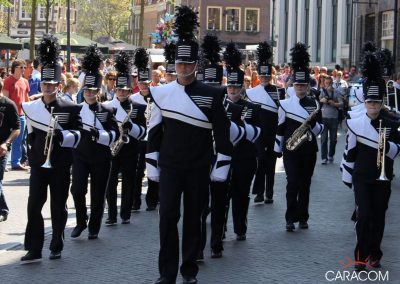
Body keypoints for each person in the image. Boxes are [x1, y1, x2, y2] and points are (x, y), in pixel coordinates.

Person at [148, 6, 232, 284]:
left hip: (198, 166)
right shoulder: (161, 93)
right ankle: (166, 273)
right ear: (174, 64)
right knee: (167, 220)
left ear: (196, 64)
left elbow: (223, 135)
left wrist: (221, 166)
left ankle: (189, 271)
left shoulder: (213, 93)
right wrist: (152, 165)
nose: (183, 68)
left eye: (188, 64)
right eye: (179, 64)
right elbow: (154, 132)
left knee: (194, 221)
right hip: (170, 166)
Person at [20, 35, 82, 263]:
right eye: (44, 84)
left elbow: (78, 137)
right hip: (39, 163)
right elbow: (30, 135)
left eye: (51, 84)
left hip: (61, 164)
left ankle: (56, 243)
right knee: (34, 205)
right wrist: (32, 155)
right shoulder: (32, 107)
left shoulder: (71, 107)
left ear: (58, 85)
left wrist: (63, 135)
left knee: (58, 206)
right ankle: (34, 248)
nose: (47, 88)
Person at [341, 51, 400, 271]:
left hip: (383, 177)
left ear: (381, 101)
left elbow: (397, 151)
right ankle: (360, 256)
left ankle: (375, 253)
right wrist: (347, 177)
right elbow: (350, 151)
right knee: (364, 215)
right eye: (369, 102)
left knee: (378, 217)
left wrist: (385, 143)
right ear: (364, 102)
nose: (373, 106)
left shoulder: (392, 121)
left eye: (376, 102)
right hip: (362, 176)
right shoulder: (355, 122)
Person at [70, 45, 119, 240]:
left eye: (93, 90)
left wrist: (100, 135)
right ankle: (81, 220)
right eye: (87, 90)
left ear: (98, 91)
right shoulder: (75, 109)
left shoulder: (107, 111)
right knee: (77, 189)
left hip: (101, 156)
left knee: (98, 193)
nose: (90, 93)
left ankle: (94, 226)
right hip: (80, 155)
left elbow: (115, 133)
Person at [274, 43, 324, 232]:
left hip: (309, 149)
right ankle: (289, 218)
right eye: (297, 85)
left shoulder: (314, 104)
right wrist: (277, 149)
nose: (300, 88)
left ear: (307, 86)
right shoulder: (285, 104)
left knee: (305, 184)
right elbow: (280, 128)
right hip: (290, 149)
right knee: (292, 182)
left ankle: (303, 217)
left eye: (303, 85)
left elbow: (320, 130)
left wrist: (312, 125)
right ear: (292, 85)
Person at [223, 42, 261, 242]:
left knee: (241, 196)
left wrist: (235, 127)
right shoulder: (220, 106)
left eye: (236, 86)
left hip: (245, 157)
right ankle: (220, 230)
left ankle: (240, 228)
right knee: (222, 197)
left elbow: (256, 134)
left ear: (243, 87)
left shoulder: (253, 108)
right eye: (230, 86)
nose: (232, 90)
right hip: (224, 157)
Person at [104, 51, 147, 225]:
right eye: (119, 89)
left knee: (129, 182)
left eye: (125, 90)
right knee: (110, 182)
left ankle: (126, 213)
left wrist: (133, 128)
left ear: (130, 90)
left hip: (131, 148)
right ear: (115, 89)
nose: (122, 92)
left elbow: (144, 132)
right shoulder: (106, 106)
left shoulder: (138, 107)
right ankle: (111, 215)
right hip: (112, 149)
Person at [247, 41, 280, 204]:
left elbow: (282, 114)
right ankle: (259, 192)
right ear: (259, 76)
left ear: (271, 75)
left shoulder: (279, 91)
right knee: (260, 162)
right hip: (259, 134)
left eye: (267, 76)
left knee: (271, 165)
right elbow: (250, 116)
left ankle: (269, 193)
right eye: (262, 76)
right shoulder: (252, 93)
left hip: (274, 133)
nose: (265, 78)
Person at [130, 47, 159, 211]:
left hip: (153, 137)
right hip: (138, 138)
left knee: (154, 169)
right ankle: (135, 201)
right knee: (137, 171)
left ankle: (152, 199)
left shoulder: (157, 96)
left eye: (146, 83)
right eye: (141, 83)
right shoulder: (133, 99)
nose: (143, 85)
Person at [3, 59, 30, 171]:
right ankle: (3, 162)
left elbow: (26, 97)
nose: (23, 69)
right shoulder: (8, 81)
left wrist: (29, 111)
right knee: (5, 138)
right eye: (21, 67)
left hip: (22, 114)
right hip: (9, 115)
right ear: (15, 68)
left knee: (19, 140)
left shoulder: (25, 81)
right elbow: (5, 99)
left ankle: (15, 163)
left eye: (24, 67)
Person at [0, 80, 20, 222]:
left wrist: (6, 143)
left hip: (1, 148)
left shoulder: (9, 104)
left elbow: (16, 128)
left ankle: (2, 210)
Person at [319, 76, 343, 164]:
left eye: (329, 83)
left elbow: (341, 104)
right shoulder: (322, 91)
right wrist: (322, 100)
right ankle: (324, 158)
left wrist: (334, 104)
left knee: (333, 139)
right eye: (326, 83)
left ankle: (331, 155)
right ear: (324, 83)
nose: (327, 85)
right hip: (324, 117)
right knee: (324, 139)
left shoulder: (336, 92)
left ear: (332, 83)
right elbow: (319, 100)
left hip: (334, 118)